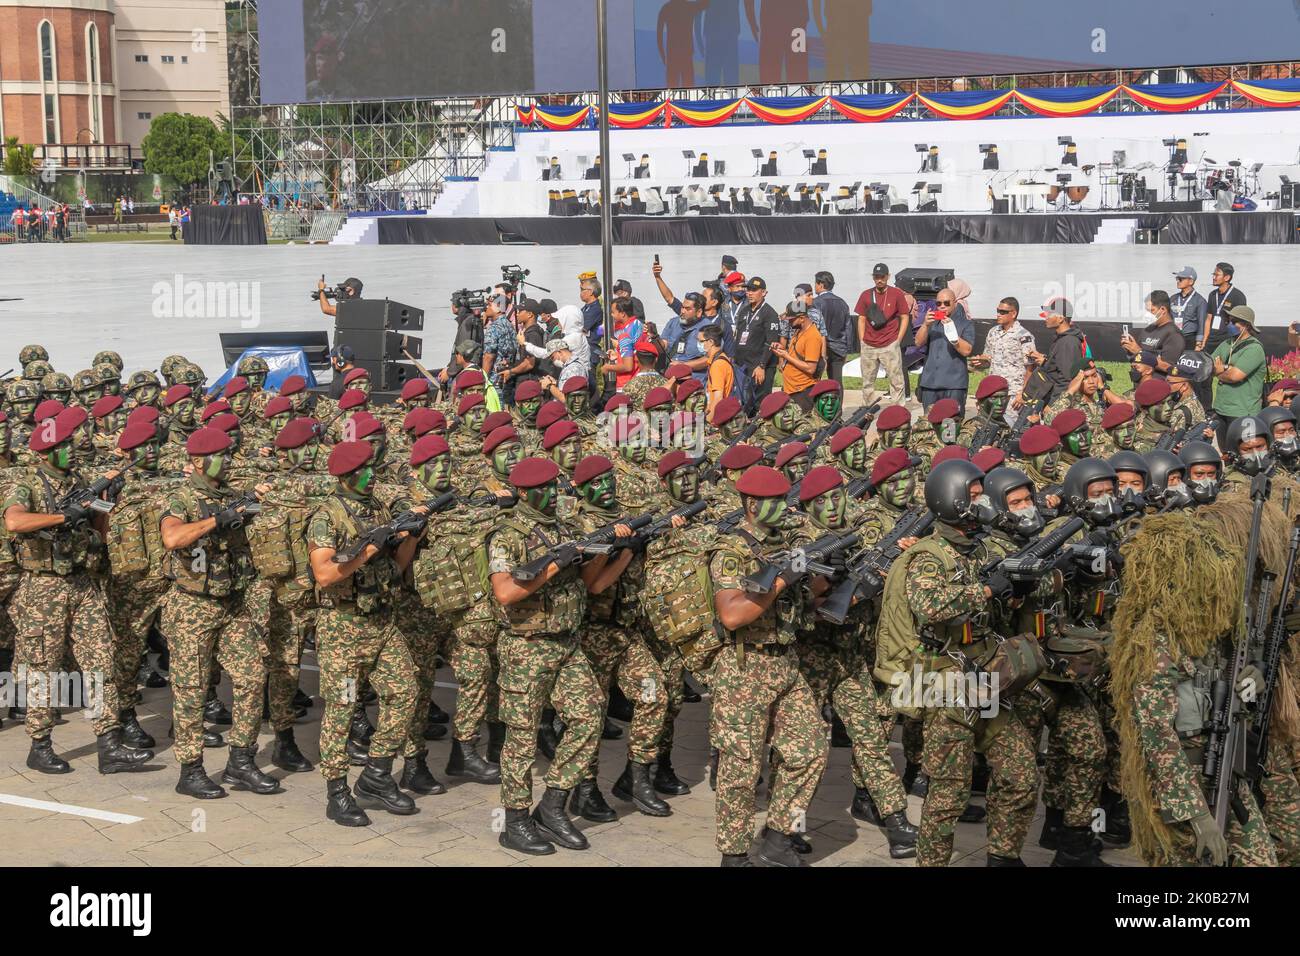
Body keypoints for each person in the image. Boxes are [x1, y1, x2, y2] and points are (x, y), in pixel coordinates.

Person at [854, 263, 910, 408]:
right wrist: (862, 339)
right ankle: (867, 409)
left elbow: (904, 316)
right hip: (869, 344)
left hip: (890, 342)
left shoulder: (896, 294)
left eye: (882, 277)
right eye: (876, 277)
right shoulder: (866, 295)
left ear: (888, 277)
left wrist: (898, 339)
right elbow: (861, 318)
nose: (879, 280)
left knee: (896, 380)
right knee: (867, 381)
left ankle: (898, 410)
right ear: (873, 278)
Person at [1209, 304, 1267, 445]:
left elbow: (1234, 376)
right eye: (1228, 321)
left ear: (1246, 325)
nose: (1229, 324)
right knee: (1227, 453)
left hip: (1243, 412)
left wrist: (1220, 370)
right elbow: (1209, 366)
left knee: (1245, 453)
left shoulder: (1254, 348)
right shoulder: (1227, 343)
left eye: (1234, 321)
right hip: (1222, 409)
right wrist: (1223, 369)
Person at [1024, 298, 1088, 422]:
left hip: (1059, 405)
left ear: (1061, 318)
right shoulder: (1062, 339)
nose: (1046, 317)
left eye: (1050, 314)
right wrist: (1045, 362)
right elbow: (1058, 368)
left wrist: (1053, 404)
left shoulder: (1068, 342)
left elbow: (1066, 378)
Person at [913, 286, 974, 412]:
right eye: (938, 303)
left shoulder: (965, 323)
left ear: (955, 303)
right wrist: (925, 325)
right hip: (930, 383)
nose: (942, 306)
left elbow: (967, 350)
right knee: (929, 424)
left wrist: (952, 333)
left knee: (950, 425)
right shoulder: (932, 323)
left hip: (954, 384)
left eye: (946, 303)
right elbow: (918, 342)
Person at [731, 276, 783, 415]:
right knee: (744, 401)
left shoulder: (770, 314)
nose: (749, 293)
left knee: (761, 403)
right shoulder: (744, 311)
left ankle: (762, 432)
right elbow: (738, 337)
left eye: (754, 290)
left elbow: (771, 342)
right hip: (743, 366)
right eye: (748, 290)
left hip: (759, 366)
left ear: (764, 292)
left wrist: (762, 366)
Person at [772, 299, 824, 412]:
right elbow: (797, 354)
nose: (789, 323)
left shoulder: (812, 337)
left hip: (802, 393)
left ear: (802, 318)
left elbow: (811, 368)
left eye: (791, 320)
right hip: (792, 389)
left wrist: (786, 356)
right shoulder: (799, 331)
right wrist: (782, 348)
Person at [1121, 291, 1182, 379]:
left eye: (1151, 310)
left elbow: (1169, 368)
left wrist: (1139, 352)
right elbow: (1138, 355)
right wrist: (1129, 348)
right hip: (1140, 384)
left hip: (1158, 386)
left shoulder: (1174, 334)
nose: (1147, 314)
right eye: (1146, 311)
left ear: (1163, 310)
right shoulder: (1148, 329)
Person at [813, 271, 852, 383]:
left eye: (815, 283)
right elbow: (848, 328)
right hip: (839, 348)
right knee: (836, 381)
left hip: (820, 346)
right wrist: (847, 350)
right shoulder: (842, 303)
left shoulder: (816, 303)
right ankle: (838, 401)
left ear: (821, 284)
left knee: (814, 379)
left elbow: (814, 327)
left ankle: (812, 400)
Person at [1171, 266, 1207, 352]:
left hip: (1190, 339)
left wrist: (1198, 344)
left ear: (1191, 281)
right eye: (1177, 278)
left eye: (1181, 279)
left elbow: (1202, 323)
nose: (1177, 281)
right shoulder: (1173, 298)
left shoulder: (1200, 300)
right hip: (1174, 338)